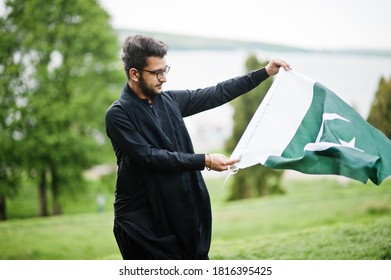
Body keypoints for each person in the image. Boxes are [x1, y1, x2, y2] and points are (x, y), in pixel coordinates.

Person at [105, 34, 291, 260]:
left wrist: (264, 73)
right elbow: (149, 157)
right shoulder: (118, 115)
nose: (164, 78)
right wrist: (205, 160)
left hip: (180, 209)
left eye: (166, 70)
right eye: (157, 72)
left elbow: (217, 93)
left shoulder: (170, 101)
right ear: (134, 74)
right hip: (143, 221)